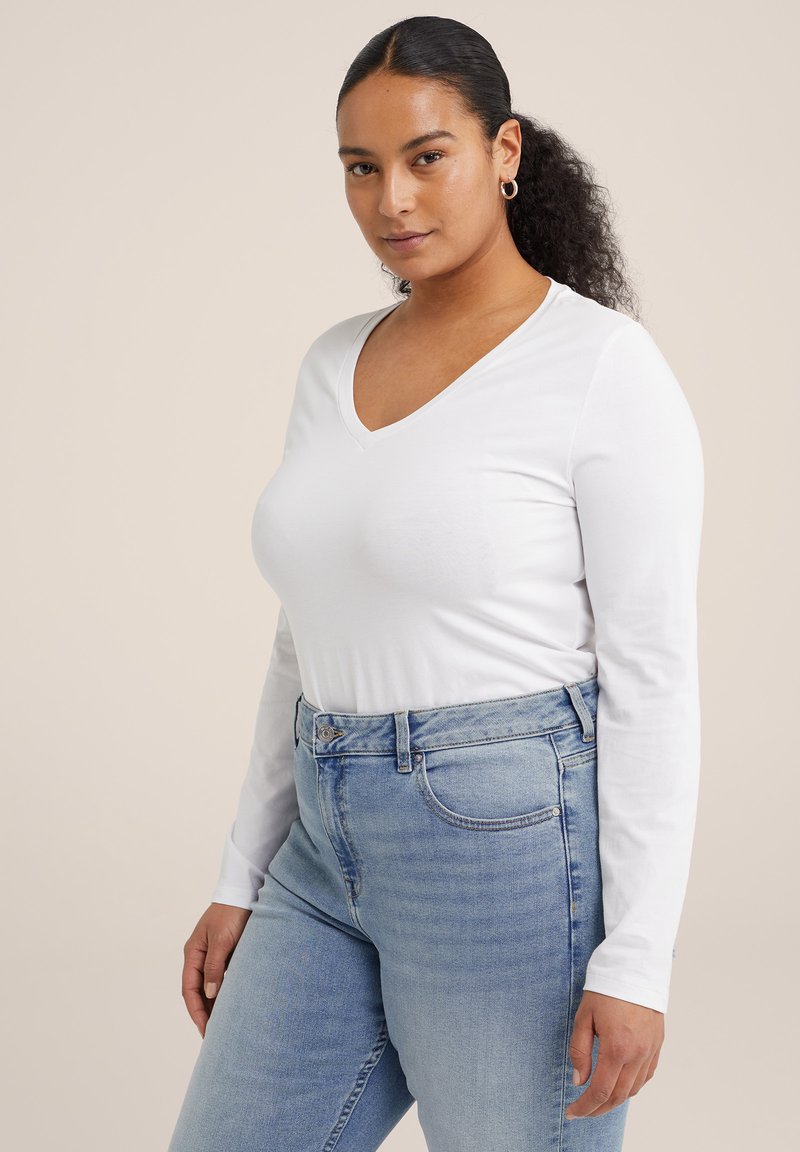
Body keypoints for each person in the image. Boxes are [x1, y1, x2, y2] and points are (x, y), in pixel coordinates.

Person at [167, 15, 704, 1152]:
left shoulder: (600, 366)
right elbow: (303, 636)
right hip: (323, 844)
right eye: (360, 168)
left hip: (504, 848)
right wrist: (241, 871)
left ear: (503, 151)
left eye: (426, 158)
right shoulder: (331, 361)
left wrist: (637, 960)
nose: (392, 200)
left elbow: (652, 673)